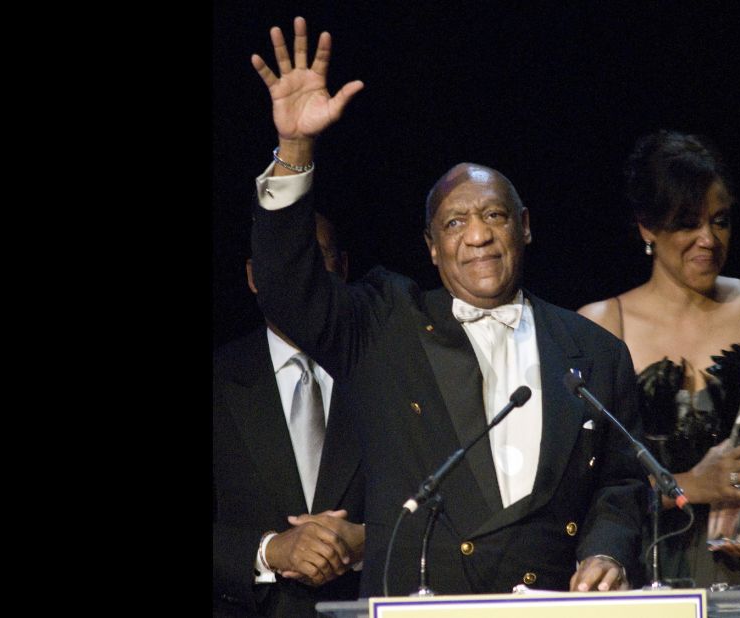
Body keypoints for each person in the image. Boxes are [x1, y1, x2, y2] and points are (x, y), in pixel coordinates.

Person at [246, 17, 648, 597]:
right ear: (433, 249)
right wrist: (295, 148)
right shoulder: (386, 321)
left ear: (525, 228)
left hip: (556, 605)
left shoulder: (595, 350)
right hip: (424, 602)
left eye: (494, 216)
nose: (478, 236)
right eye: (455, 222)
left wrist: (607, 548)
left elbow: (620, 483)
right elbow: (287, 288)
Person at [578, 130, 740, 615]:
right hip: (655, 562)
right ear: (646, 228)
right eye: (686, 224)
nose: (708, 240)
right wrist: (692, 484)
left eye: (720, 221)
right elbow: (588, 478)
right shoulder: (602, 323)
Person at [213, 212, 367, 617]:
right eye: (284, 257)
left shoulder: (382, 374)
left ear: (343, 268)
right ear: (252, 276)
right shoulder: (219, 379)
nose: (300, 273)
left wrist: (366, 542)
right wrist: (269, 551)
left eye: (314, 255)